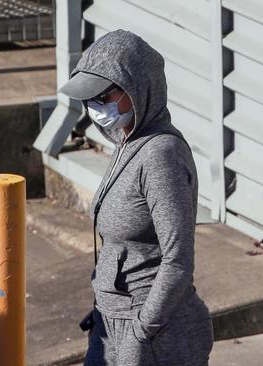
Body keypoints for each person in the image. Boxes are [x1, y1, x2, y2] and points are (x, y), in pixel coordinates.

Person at [58, 30, 213, 365]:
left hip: (151, 336)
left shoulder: (161, 155)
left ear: (138, 88)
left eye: (104, 96)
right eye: (89, 99)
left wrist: (142, 331)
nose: (95, 108)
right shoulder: (127, 141)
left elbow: (178, 260)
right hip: (110, 323)